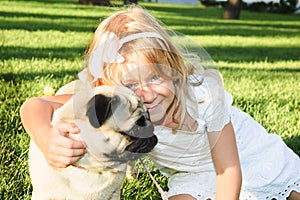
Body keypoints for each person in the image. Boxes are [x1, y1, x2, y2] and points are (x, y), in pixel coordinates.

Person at [20, 6, 300, 200]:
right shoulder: (113, 102)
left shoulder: (204, 98)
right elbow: (35, 105)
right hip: (191, 173)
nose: (146, 94)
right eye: (130, 84)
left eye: (155, 77)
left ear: (173, 70)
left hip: (246, 155)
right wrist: (45, 137)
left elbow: (229, 171)